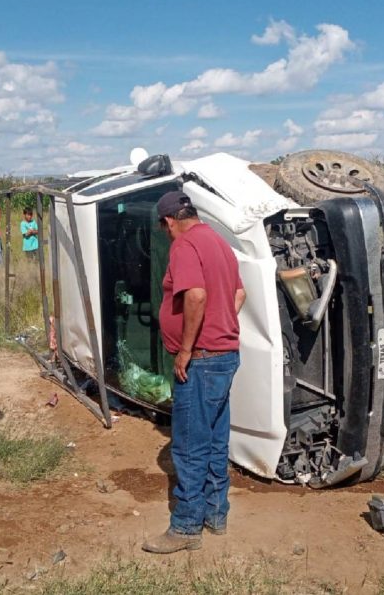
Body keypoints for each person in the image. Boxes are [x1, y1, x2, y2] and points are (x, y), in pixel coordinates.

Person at [142, 191, 246, 554]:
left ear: (169, 221)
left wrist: (186, 349)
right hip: (224, 356)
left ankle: (186, 526)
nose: (166, 232)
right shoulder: (219, 243)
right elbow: (239, 295)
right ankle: (216, 514)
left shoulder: (185, 246)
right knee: (216, 440)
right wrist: (220, 324)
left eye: (164, 227)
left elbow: (196, 296)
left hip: (200, 360)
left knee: (189, 446)